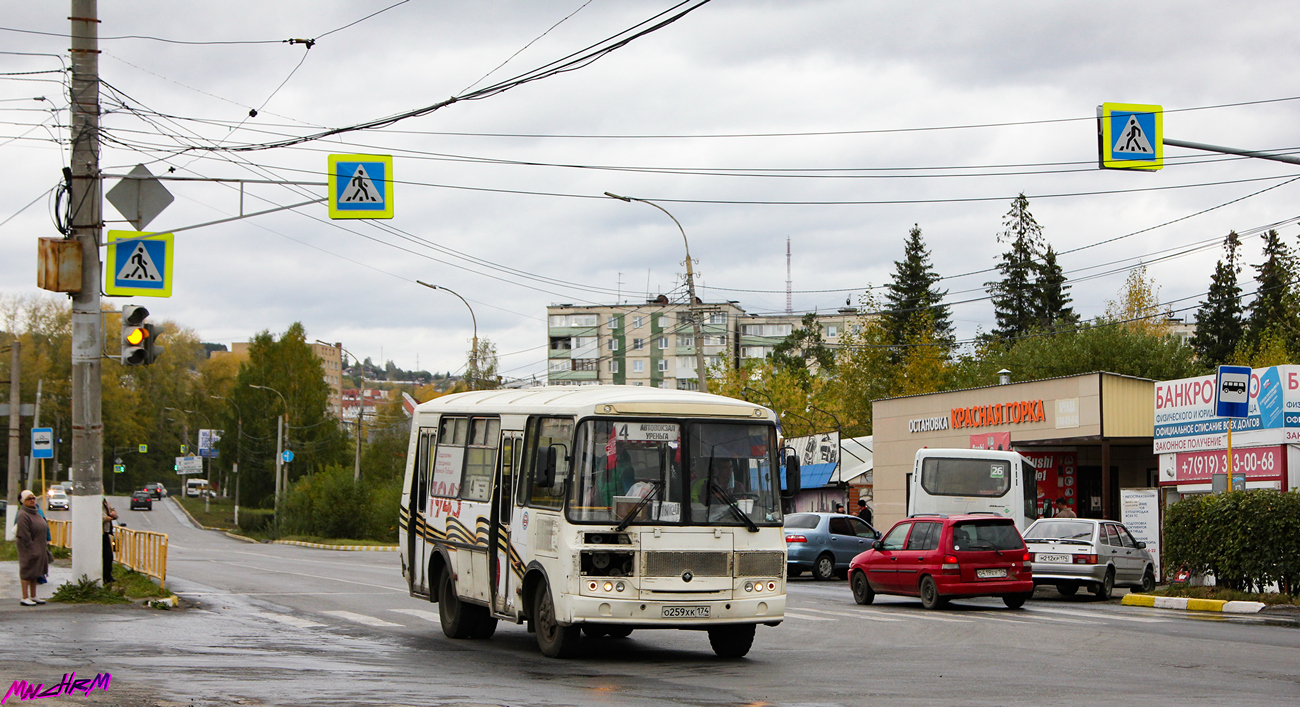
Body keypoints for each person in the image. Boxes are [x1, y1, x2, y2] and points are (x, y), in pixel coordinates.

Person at [15, 490, 50, 606]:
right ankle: (24, 596)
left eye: (33, 498)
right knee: (26, 569)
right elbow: (24, 534)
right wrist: (31, 547)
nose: (32, 500)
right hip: (28, 547)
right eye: (29, 499)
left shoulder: (36, 512)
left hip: (39, 545)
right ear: (23, 501)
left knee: (35, 571)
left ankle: (33, 595)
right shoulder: (23, 514)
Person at [102, 497, 118, 583]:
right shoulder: (95, 502)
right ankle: (106, 577)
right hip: (99, 532)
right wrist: (105, 518)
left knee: (108, 556)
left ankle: (107, 576)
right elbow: (93, 516)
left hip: (106, 532)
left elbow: (111, 510)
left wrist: (114, 514)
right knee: (106, 555)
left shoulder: (105, 501)